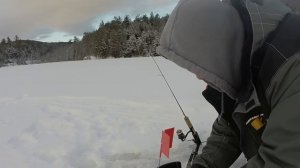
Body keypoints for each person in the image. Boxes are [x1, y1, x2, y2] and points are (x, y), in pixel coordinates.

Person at [156, 0, 300, 167]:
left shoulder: (292, 69)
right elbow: (230, 128)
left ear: (217, 50)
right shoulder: (243, 64)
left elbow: (281, 162)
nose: (199, 77)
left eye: (200, 66)